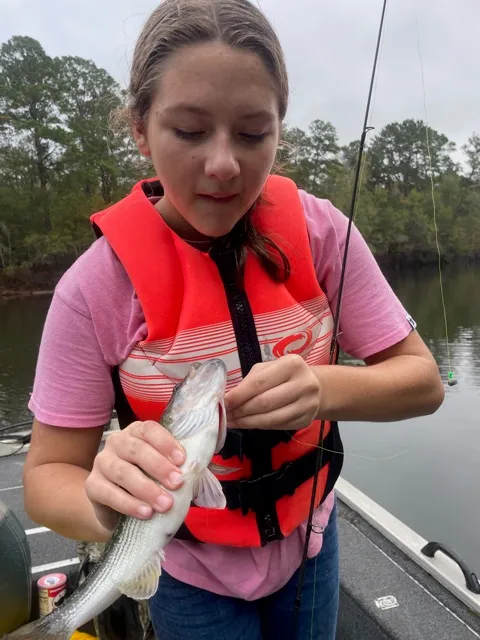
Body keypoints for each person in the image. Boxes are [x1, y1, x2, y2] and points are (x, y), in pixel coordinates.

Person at [23, 1, 445, 638]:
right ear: (140, 128)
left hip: (310, 546)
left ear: (279, 129)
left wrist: (324, 388)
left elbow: (423, 382)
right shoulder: (94, 289)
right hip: (188, 573)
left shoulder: (323, 232)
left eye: (252, 134)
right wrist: (102, 499)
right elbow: (46, 478)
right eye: (189, 131)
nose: (223, 164)